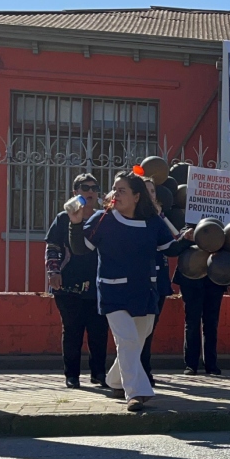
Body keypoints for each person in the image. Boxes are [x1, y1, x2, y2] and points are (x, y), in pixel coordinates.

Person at [68, 171, 175, 412]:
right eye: (114, 190)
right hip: (112, 290)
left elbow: (171, 248)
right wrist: (75, 224)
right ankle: (136, 393)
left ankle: (115, 380)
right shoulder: (102, 218)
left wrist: (194, 238)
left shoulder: (153, 222)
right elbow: (80, 249)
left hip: (144, 290)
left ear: (137, 196)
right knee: (126, 339)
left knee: (136, 340)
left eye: (122, 190)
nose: (115, 194)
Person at [45, 173, 108, 389]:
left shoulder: (103, 217)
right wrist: (53, 272)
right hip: (68, 285)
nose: (90, 191)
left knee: (99, 330)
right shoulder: (64, 218)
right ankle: (71, 375)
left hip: (98, 284)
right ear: (76, 192)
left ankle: (99, 373)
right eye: (84, 187)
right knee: (72, 331)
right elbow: (52, 247)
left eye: (94, 187)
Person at [139, 177, 194, 386]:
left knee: (148, 329)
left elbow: (169, 248)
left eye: (152, 191)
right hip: (135, 282)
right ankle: (134, 373)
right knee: (134, 331)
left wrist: (184, 239)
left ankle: (144, 370)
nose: (150, 195)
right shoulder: (124, 219)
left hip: (158, 282)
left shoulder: (157, 220)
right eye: (145, 191)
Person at [175, 264, 228, 376]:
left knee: (211, 323)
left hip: (215, 278)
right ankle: (191, 365)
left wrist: (229, 280)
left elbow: (229, 249)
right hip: (190, 277)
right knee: (192, 323)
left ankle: (211, 364)